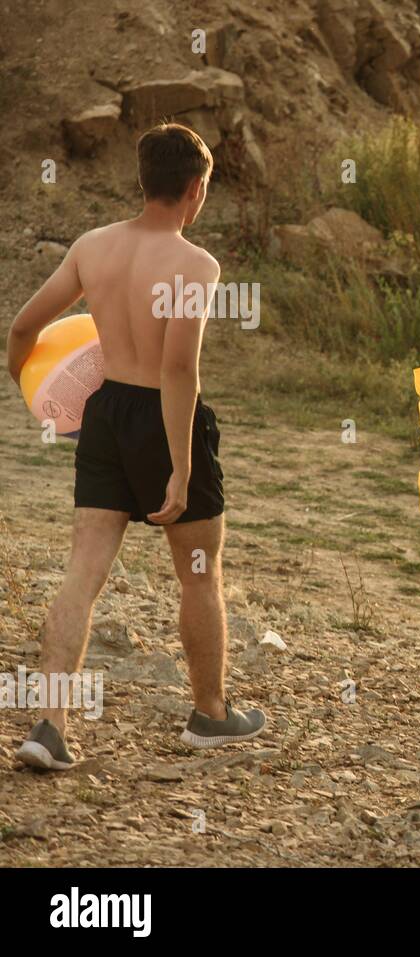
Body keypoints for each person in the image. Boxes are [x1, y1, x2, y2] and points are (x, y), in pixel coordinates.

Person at [5, 123, 265, 771]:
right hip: (163, 414)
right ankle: (210, 714)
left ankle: (51, 723)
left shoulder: (93, 247)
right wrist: (179, 467)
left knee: (83, 571)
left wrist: (36, 394)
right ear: (195, 190)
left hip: (106, 412)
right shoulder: (195, 265)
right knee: (199, 572)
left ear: (144, 181)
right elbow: (179, 371)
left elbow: (23, 328)